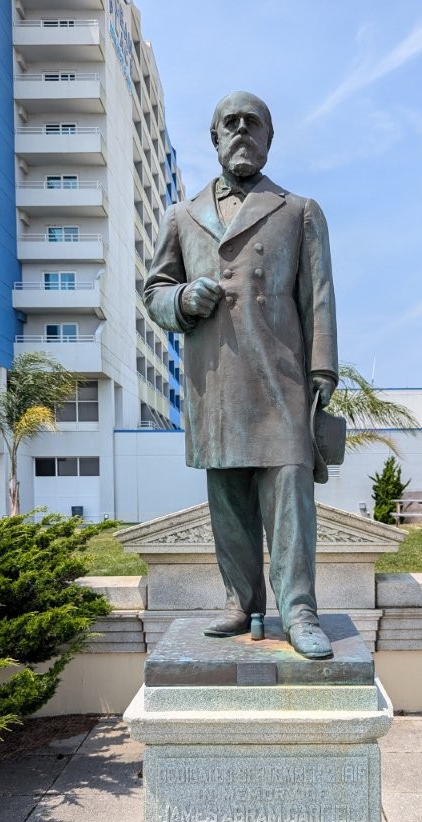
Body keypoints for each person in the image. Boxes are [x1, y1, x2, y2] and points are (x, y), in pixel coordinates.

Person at [144, 91, 338, 659]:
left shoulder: (298, 210)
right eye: (231, 123)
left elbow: (319, 296)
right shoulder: (182, 216)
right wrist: (183, 299)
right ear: (215, 138)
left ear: (269, 138)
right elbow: (153, 292)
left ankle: (299, 609)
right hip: (216, 382)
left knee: (290, 494)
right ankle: (240, 600)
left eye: (254, 123)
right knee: (227, 499)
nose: (242, 131)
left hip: (282, 378)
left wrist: (323, 367)